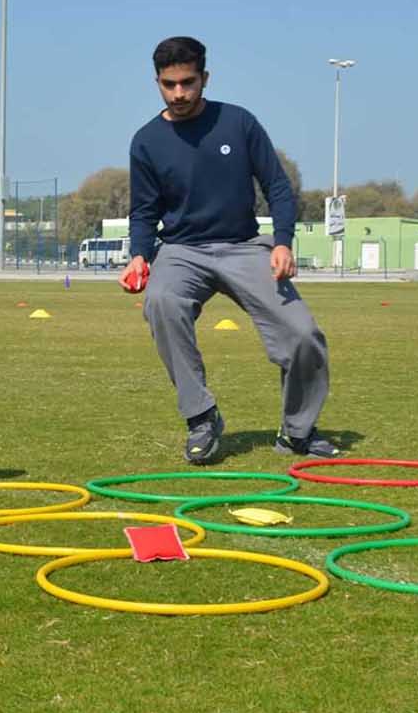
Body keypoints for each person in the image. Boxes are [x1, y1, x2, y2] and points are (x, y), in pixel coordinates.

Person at [120, 36, 336, 464]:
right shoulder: (146, 141)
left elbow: (277, 186)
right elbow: (143, 211)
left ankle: (297, 432)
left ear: (205, 78)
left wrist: (282, 241)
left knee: (303, 335)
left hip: (244, 247)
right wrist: (140, 255)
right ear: (157, 82)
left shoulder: (238, 123)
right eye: (169, 84)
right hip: (182, 250)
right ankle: (201, 418)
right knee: (161, 302)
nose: (179, 93)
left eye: (187, 82)